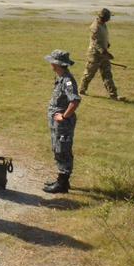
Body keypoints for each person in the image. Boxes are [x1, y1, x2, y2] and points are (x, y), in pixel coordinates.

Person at [43, 50, 81, 194]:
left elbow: (75, 101)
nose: (51, 64)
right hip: (58, 124)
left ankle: (62, 184)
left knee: (62, 149)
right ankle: (62, 180)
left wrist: (64, 117)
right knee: (58, 148)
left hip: (63, 124)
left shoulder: (68, 80)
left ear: (57, 64)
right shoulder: (61, 78)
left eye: (53, 61)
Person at [79, 8, 123, 100]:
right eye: (109, 17)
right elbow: (96, 43)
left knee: (107, 74)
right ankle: (81, 90)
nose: (110, 19)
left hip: (103, 54)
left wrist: (107, 43)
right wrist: (106, 53)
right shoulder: (95, 27)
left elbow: (103, 38)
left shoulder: (103, 24)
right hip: (95, 55)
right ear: (104, 17)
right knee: (89, 74)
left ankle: (113, 95)